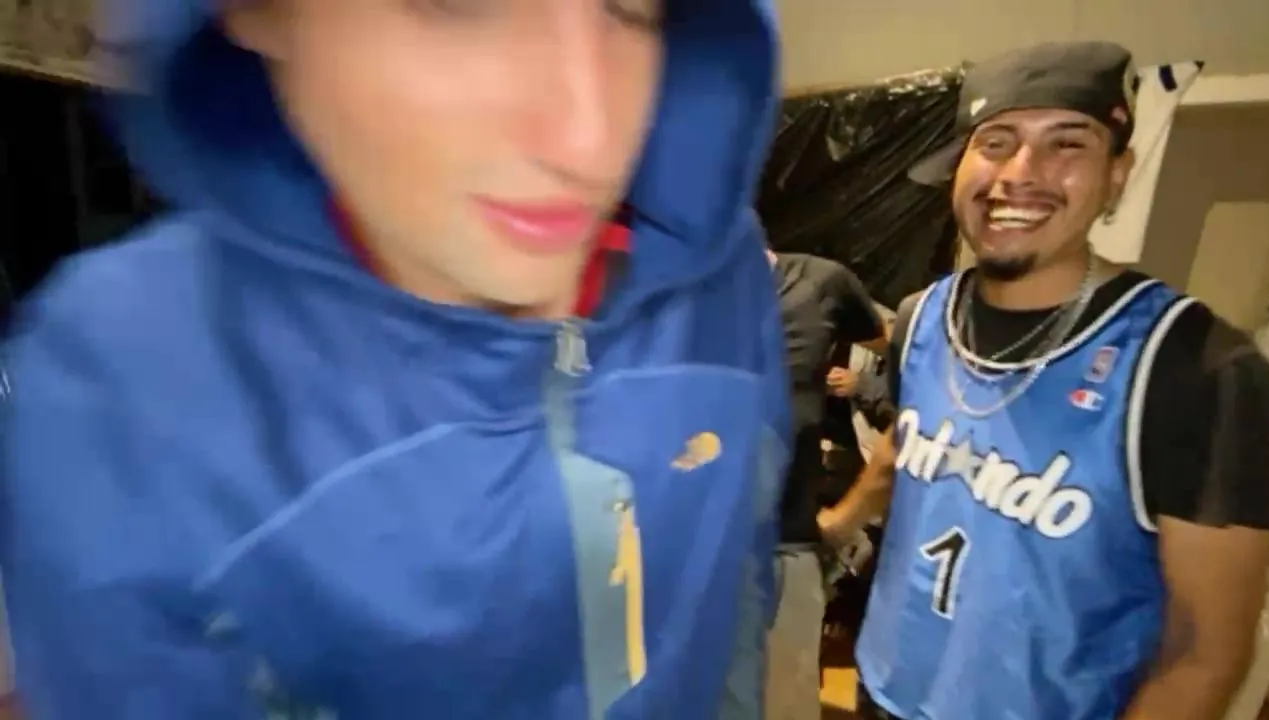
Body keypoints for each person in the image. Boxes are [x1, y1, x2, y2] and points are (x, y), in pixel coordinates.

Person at [1, 1, 789, 718]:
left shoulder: (715, 274)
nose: (587, 138)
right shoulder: (119, 388)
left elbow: (736, 600)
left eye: (633, 8)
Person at [818, 41, 1269, 720]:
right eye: (996, 142)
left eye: (1067, 143)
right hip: (886, 687)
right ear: (958, 170)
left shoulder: (1199, 369)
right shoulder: (921, 317)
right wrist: (838, 523)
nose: (1021, 172)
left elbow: (1204, 651)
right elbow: (909, 441)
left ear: (1118, 174)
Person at [765, 248, 882, 719]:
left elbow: (898, 357)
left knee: (783, 704)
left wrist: (844, 520)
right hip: (678, 552)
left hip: (785, 546)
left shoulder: (821, 282)